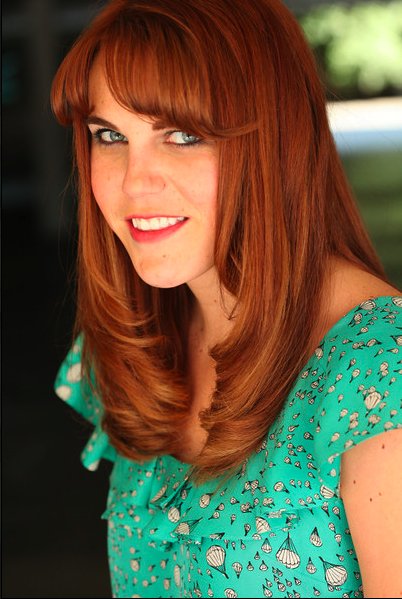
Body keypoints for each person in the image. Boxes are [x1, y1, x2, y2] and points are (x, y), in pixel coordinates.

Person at [51, 0, 402, 597]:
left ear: (276, 141)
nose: (134, 180)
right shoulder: (140, 339)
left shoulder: (380, 368)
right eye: (110, 136)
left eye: (183, 135)